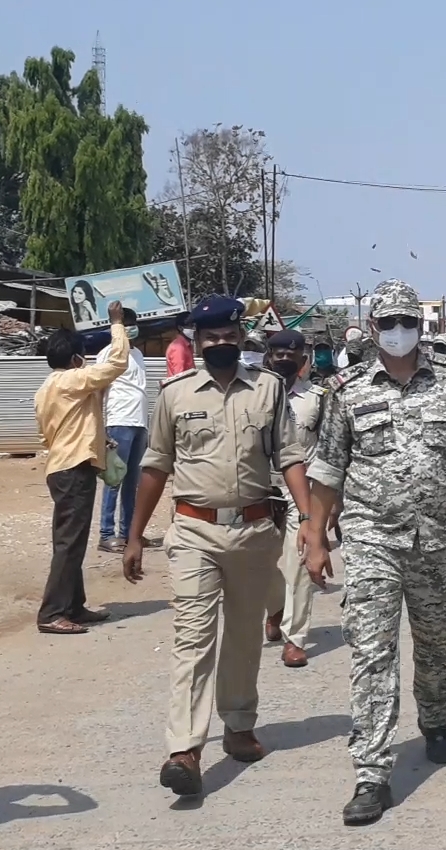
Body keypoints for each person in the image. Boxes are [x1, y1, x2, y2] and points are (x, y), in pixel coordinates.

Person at [303, 280, 446, 827]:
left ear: (421, 328)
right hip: (373, 536)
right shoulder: (345, 391)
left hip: (442, 537)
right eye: (389, 322)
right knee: (371, 650)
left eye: (409, 322)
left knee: (439, 639)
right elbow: (327, 469)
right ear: (372, 329)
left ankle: (435, 718)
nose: (400, 331)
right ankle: (372, 772)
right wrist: (314, 536)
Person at [122, 296, 319, 799]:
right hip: (193, 533)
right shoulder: (174, 394)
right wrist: (133, 537)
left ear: (240, 336)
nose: (220, 344)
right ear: (196, 341)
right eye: (210, 338)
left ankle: (237, 724)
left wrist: (310, 522)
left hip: (254, 532)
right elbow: (156, 464)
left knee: (243, 637)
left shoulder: (270, 389)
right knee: (193, 636)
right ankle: (184, 749)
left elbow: (291, 456)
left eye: (228, 336)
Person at [32, 302, 130, 635]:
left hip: (62, 466)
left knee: (71, 540)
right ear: (76, 359)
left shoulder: (46, 389)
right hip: (73, 469)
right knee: (69, 543)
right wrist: (117, 324)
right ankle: (52, 612)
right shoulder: (73, 380)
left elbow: (58, 431)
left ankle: (73, 605)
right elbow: (117, 362)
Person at [262, 330, 327, 668]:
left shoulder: (318, 399)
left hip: (302, 495)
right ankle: (275, 608)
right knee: (265, 566)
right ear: (267, 356)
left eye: (292, 353)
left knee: (299, 564)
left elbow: (329, 452)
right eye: (278, 352)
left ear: (304, 360)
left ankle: (294, 637)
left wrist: (328, 507)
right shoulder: (255, 395)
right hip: (259, 492)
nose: (284, 358)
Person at [99, 320, 149, 555]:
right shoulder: (108, 353)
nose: (131, 329)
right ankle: (106, 534)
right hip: (119, 420)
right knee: (114, 479)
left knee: (132, 483)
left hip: (139, 422)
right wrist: (100, 426)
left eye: (133, 324)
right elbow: (99, 387)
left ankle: (129, 532)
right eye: (126, 324)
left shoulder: (138, 353)